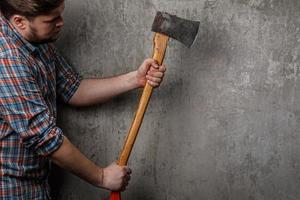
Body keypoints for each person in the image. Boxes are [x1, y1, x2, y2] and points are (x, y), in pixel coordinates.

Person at [0, 0, 166, 199]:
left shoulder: (34, 38)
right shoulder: (7, 58)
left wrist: (134, 79)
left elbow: (72, 88)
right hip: (11, 189)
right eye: (52, 20)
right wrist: (102, 177)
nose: (61, 23)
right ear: (20, 21)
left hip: (37, 183)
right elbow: (44, 138)